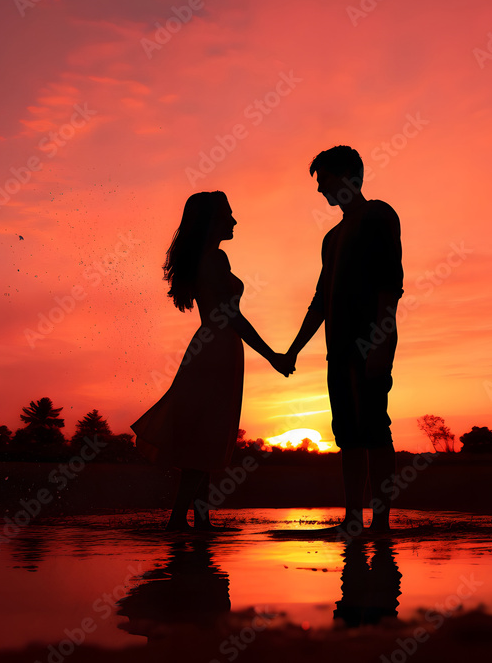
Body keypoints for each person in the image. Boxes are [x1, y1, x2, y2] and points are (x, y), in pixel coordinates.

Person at [132, 191, 294, 531]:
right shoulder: (216, 259)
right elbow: (233, 317)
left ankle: (200, 517)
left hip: (210, 349)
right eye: (228, 215)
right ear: (212, 221)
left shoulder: (206, 258)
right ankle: (179, 518)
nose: (234, 221)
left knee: (202, 438)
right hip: (218, 351)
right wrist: (273, 357)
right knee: (204, 440)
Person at [285, 146, 404, 537]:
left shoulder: (378, 215)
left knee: (374, 428)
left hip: (370, 342)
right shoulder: (331, 237)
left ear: (347, 177)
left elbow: (390, 287)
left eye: (324, 181)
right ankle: (353, 518)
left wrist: (381, 345)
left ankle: (381, 522)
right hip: (336, 348)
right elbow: (321, 301)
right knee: (348, 433)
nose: (320, 190)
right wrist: (295, 348)